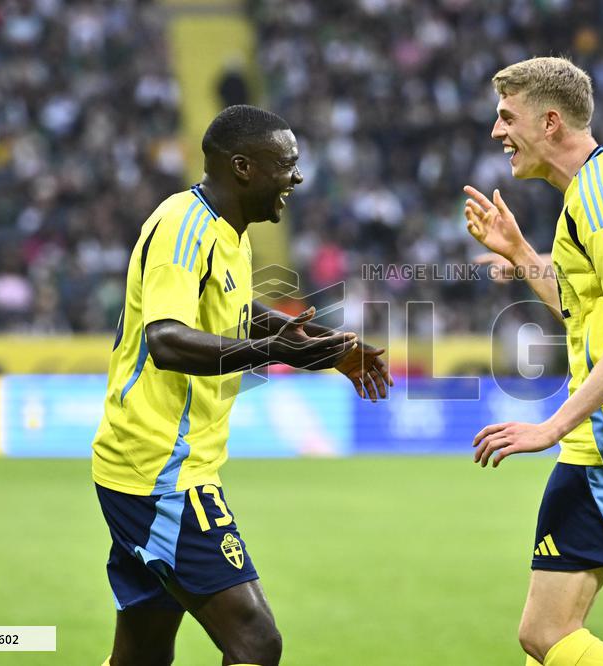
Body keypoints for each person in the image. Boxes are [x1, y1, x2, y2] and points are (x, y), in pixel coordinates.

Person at [91, 104, 392, 666]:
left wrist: (325, 348)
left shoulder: (228, 233)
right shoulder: (183, 226)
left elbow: (234, 310)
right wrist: (271, 352)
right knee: (255, 642)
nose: (297, 178)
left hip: (152, 465)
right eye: (287, 164)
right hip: (161, 472)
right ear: (243, 167)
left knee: (144, 652)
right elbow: (167, 340)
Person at [463, 57, 603, 666]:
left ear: (550, 122)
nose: (497, 132)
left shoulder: (595, 198)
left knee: (546, 632)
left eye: (507, 117)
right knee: (548, 629)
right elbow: (584, 305)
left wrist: (551, 425)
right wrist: (520, 253)